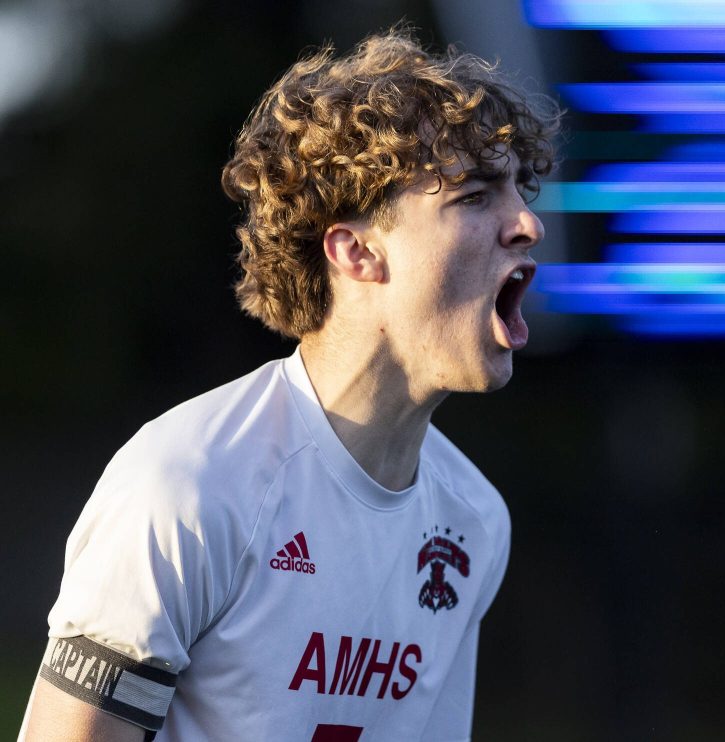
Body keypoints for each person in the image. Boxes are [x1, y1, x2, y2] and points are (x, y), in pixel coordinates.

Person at [20, 27, 559, 741]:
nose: (527, 223)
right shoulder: (187, 486)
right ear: (356, 251)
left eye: (521, 190)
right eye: (473, 196)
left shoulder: (474, 523)